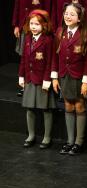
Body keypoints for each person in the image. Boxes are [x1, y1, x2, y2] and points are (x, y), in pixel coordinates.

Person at [51, 2, 87, 155]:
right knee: (68, 105)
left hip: (79, 76)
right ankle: (69, 141)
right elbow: (55, 56)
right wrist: (54, 77)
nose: (68, 16)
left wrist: (86, 80)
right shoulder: (60, 31)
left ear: (79, 18)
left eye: (72, 14)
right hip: (64, 75)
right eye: (66, 13)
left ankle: (78, 142)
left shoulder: (86, 34)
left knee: (79, 106)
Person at [12, 0, 52, 95]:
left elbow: (47, 6)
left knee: (38, 55)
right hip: (25, 24)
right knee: (25, 54)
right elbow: (18, 2)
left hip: (38, 25)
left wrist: (46, 26)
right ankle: (26, 84)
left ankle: (39, 82)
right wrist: (16, 24)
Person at [18, 9, 55, 148]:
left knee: (46, 108)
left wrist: (47, 79)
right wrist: (21, 75)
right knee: (30, 108)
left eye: (37, 24)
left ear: (44, 25)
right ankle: (31, 135)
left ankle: (47, 137)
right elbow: (23, 59)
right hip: (30, 78)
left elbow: (50, 61)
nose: (34, 27)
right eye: (32, 23)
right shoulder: (27, 38)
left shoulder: (48, 40)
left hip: (42, 79)